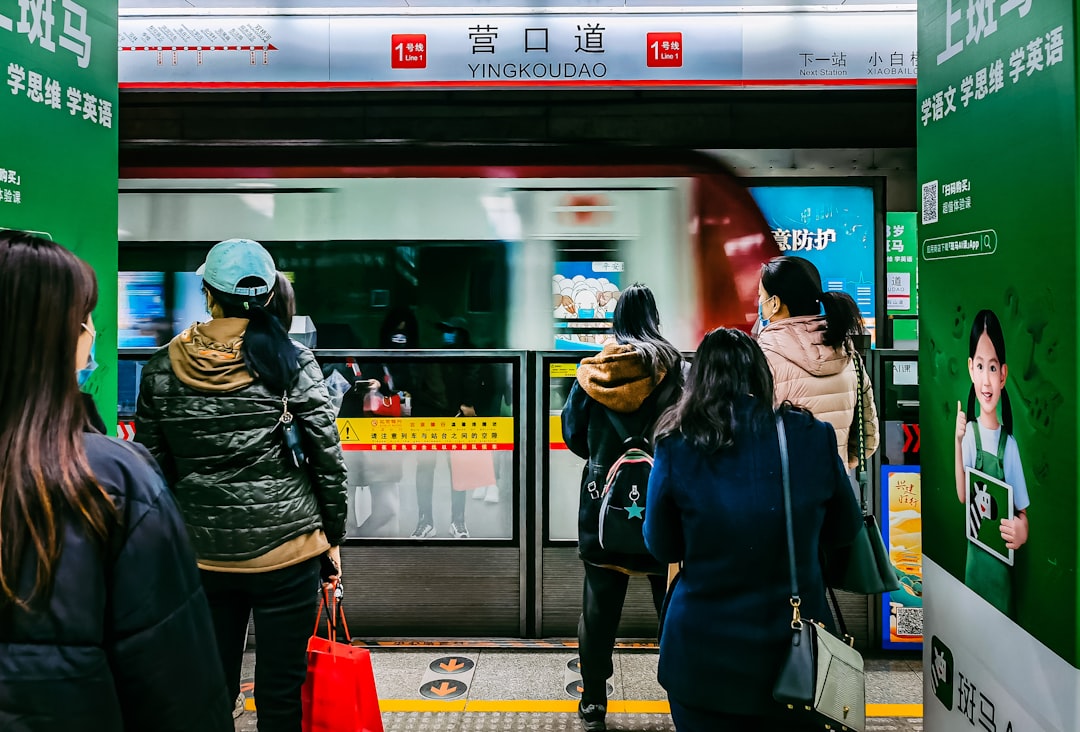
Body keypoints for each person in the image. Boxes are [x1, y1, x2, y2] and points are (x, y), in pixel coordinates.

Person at [0, 231, 233, 731]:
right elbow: (177, 692)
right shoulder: (115, 481)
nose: (91, 333)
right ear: (54, 338)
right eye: (83, 319)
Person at [134, 238, 348, 732]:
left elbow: (152, 470)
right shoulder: (293, 363)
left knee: (208, 687)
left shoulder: (162, 368)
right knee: (280, 690)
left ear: (209, 294)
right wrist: (332, 538)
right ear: (269, 296)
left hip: (203, 557)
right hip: (290, 551)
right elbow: (327, 461)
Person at [643, 327, 863, 732]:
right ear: (762, 375)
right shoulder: (811, 435)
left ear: (697, 381)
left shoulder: (676, 445)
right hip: (795, 658)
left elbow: (660, 544)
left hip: (701, 660)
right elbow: (846, 528)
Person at [561, 284, 683, 732]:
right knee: (671, 608)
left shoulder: (592, 373)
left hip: (601, 512)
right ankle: (680, 694)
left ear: (617, 322)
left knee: (598, 612)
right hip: (662, 511)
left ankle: (594, 700)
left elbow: (574, 436)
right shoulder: (676, 372)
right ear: (654, 318)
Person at [756, 255, 879, 468]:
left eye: (761, 295)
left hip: (781, 491)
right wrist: (836, 467)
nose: (759, 302)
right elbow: (867, 441)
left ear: (774, 303)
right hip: (832, 491)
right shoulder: (847, 352)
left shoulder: (762, 357)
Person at [954, 309, 1028, 616]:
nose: (986, 379)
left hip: (1001, 574)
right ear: (971, 369)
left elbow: (1021, 510)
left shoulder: (1008, 446)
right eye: (981, 366)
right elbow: (963, 495)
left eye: (993, 367)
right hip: (975, 568)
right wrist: (957, 443)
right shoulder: (968, 435)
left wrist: (1021, 530)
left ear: (1004, 374)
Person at [337, 307, 419, 536]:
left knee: (387, 505)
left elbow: (410, 390)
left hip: (383, 437)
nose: (399, 338)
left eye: (404, 332)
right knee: (347, 505)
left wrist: (382, 387)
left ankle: (361, 539)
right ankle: (352, 542)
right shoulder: (363, 361)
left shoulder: (410, 360)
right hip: (354, 435)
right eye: (395, 332)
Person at [409, 315, 481, 538]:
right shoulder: (435, 356)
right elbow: (421, 387)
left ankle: (458, 521)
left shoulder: (472, 356)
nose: (447, 335)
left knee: (459, 471)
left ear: (462, 333)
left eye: (452, 330)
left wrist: (470, 405)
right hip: (433, 419)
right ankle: (425, 520)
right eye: (444, 330)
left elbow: (480, 384)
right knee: (424, 470)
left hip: (458, 420)